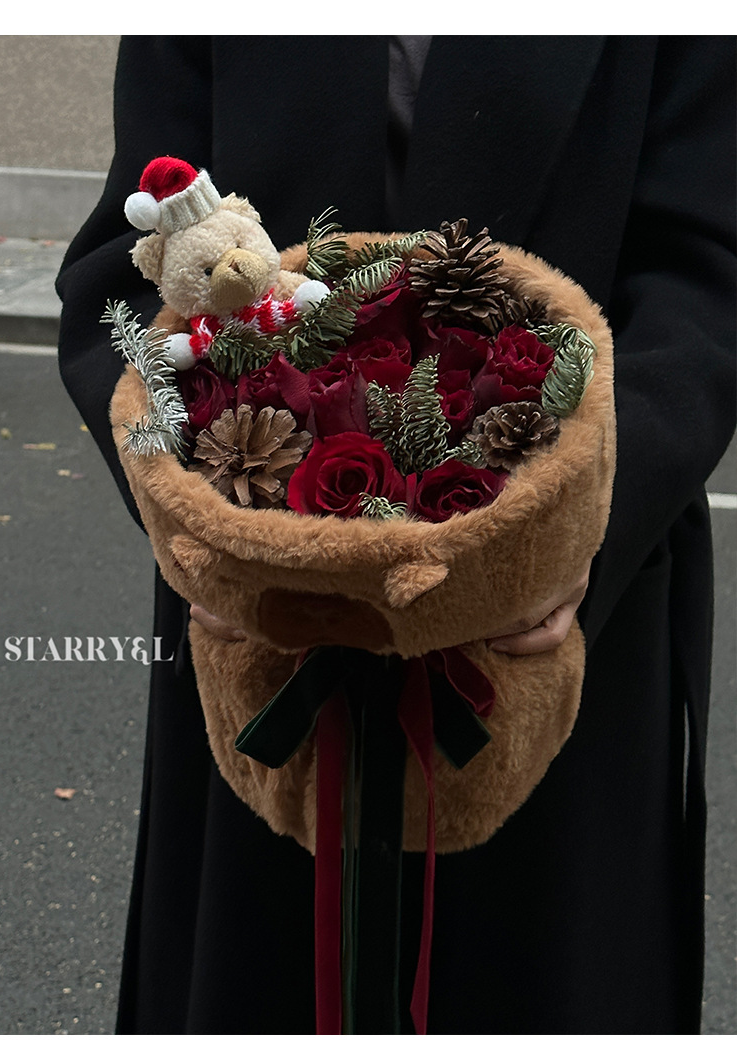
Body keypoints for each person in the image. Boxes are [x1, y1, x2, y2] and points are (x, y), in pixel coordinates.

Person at [57, 36, 736, 1034]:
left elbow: (705, 279)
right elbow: (123, 272)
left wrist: (561, 525)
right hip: (257, 612)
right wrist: (189, 506)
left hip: (565, 614)